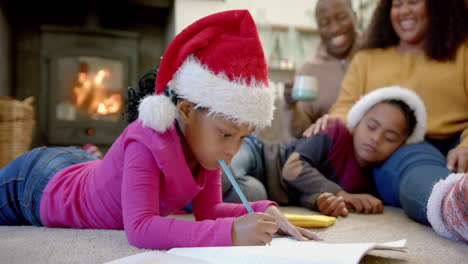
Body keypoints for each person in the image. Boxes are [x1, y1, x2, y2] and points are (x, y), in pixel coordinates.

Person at [0, 10, 320, 250]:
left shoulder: (205, 151)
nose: (233, 150)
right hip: (36, 186)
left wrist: (266, 210)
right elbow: (139, 229)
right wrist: (233, 233)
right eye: (225, 133)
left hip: (77, 167)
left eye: (242, 138)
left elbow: (209, 211)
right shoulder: (147, 139)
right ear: (185, 111)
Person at [302, 0, 468, 227]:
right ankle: (455, 207)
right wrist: (331, 122)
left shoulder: (463, 52)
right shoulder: (367, 59)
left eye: (413, 2)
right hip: (402, 148)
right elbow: (345, 107)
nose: (404, 11)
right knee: (417, 168)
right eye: (397, 4)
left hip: (459, 145)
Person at [228, 86, 426, 217]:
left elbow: (307, 192)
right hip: (259, 155)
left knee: (249, 198)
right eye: (371, 126)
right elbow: (293, 168)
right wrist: (341, 194)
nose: (376, 138)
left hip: (267, 189)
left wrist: (323, 201)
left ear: (401, 145)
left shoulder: (371, 180)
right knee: (225, 171)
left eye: (390, 138)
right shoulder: (336, 131)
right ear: (357, 123)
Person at [284, 0, 359, 138]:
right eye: (325, 23)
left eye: (342, 18)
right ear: (318, 27)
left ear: (355, 16)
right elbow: (302, 133)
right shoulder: (308, 70)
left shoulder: (372, 56)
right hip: (330, 151)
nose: (335, 28)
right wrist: (291, 106)